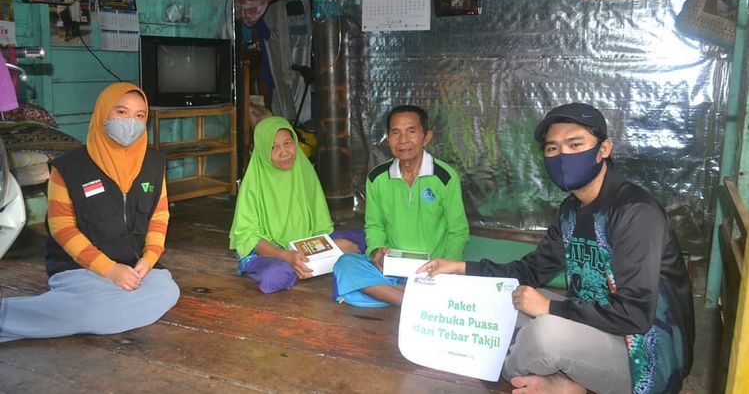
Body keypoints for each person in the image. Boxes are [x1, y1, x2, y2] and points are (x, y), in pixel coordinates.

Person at [420, 103, 694, 394]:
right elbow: (530, 271)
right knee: (508, 300)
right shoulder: (571, 210)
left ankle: (509, 377)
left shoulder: (635, 212)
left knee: (543, 332)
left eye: (575, 144)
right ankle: (569, 383)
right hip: (595, 329)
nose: (563, 155)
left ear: (604, 149)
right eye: (552, 149)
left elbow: (635, 316)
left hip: (642, 357)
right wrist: (460, 268)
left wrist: (549, 308)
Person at [0, 83, 180, 342]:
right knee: (90, 313)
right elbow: (62, 229)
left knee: (167, 291)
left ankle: (85, 309)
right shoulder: (69, 167)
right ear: (103, 113)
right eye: (121, 112)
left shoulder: (153, 164)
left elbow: (159, 216)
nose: (131, 121)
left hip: (133, 266)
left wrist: (149, 259)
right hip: (80, 268)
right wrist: (109, 270)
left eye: (139, 115)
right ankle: (10, 318)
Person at [332, 105, 469, 307]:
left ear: (426, 136)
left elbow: (458, 231)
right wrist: (377, 251)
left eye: (411, 131)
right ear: (388, 138)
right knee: (345, 264)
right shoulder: (377, 178)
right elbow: (374, 225)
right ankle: (413, 300)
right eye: (396, 132)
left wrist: (445, 265)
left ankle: (390, 294)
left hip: (431, 267)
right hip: (391, 266)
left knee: (351, 285)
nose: (403, 140)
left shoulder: (445, 177)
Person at [229, 116, 363, 294]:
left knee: (363, 236)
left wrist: (309, 250)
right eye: (273, 147)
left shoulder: (303, 169)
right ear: (261, 151)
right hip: (269, 252)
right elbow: (249, 239)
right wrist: (287, 255)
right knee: (274, 276)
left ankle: (304, 263)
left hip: (304, 245)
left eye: (287, 143)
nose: (284, 152)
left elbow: (318, 226)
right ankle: (307, 264)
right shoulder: (253, 183)